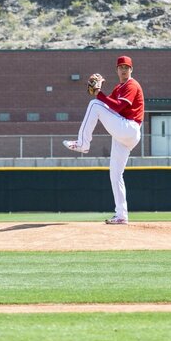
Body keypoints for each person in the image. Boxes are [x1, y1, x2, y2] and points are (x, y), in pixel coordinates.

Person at [63, 55, 144, 224]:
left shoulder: (132, 85)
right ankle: (122, 215)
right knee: (115, 174)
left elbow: (117, 106)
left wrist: (99, 93)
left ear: (131, 69)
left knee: (94, 104)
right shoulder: (119, 87)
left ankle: (83, 143)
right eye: (120, 67)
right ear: (116, 70)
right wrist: (100, 91)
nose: (123, 69)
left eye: (126, 67)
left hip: (129, 128)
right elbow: (108, 105)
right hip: (122, 135)